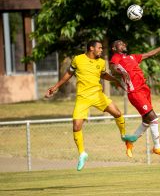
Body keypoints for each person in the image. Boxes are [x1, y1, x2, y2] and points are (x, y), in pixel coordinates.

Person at [45, 40, 127, 171]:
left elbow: (104, 74)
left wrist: (115, 80)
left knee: (117, 113)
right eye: (99, 48)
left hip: (97, 95)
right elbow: (69, 74)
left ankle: (124, 136)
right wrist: (55, 87)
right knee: (76, 126)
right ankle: (82, 153)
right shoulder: (78, 59)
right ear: (91, 48)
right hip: (82, 98)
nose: (101, 50)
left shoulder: (101, 62)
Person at [109, 39, 160, 158]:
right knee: (153, 118)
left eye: (124, 43)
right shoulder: (116, 57)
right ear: (114, 48)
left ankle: (130, 142)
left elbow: (150, 54)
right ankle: (157, 147)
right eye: (120, 43)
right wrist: (120, 71)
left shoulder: (132, 57)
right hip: (135, 92)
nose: (123, 44)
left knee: (146, 121)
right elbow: (113, 67)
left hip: (144, 90)